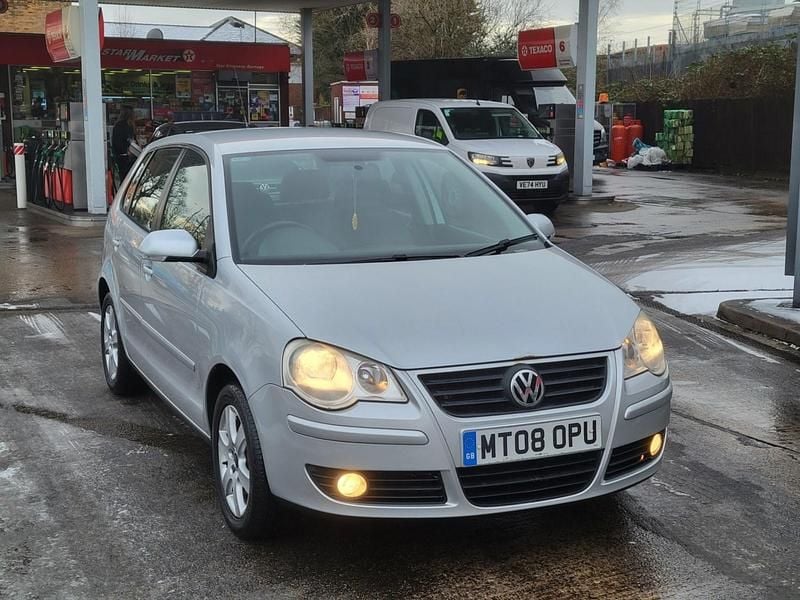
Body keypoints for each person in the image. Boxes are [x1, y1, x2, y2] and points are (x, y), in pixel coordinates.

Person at [111, 106, 135, 182]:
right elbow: (127, 140)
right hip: (125, 156)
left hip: (120, 155)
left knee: (124, 177)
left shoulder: (118, 125)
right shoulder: (127, 126)